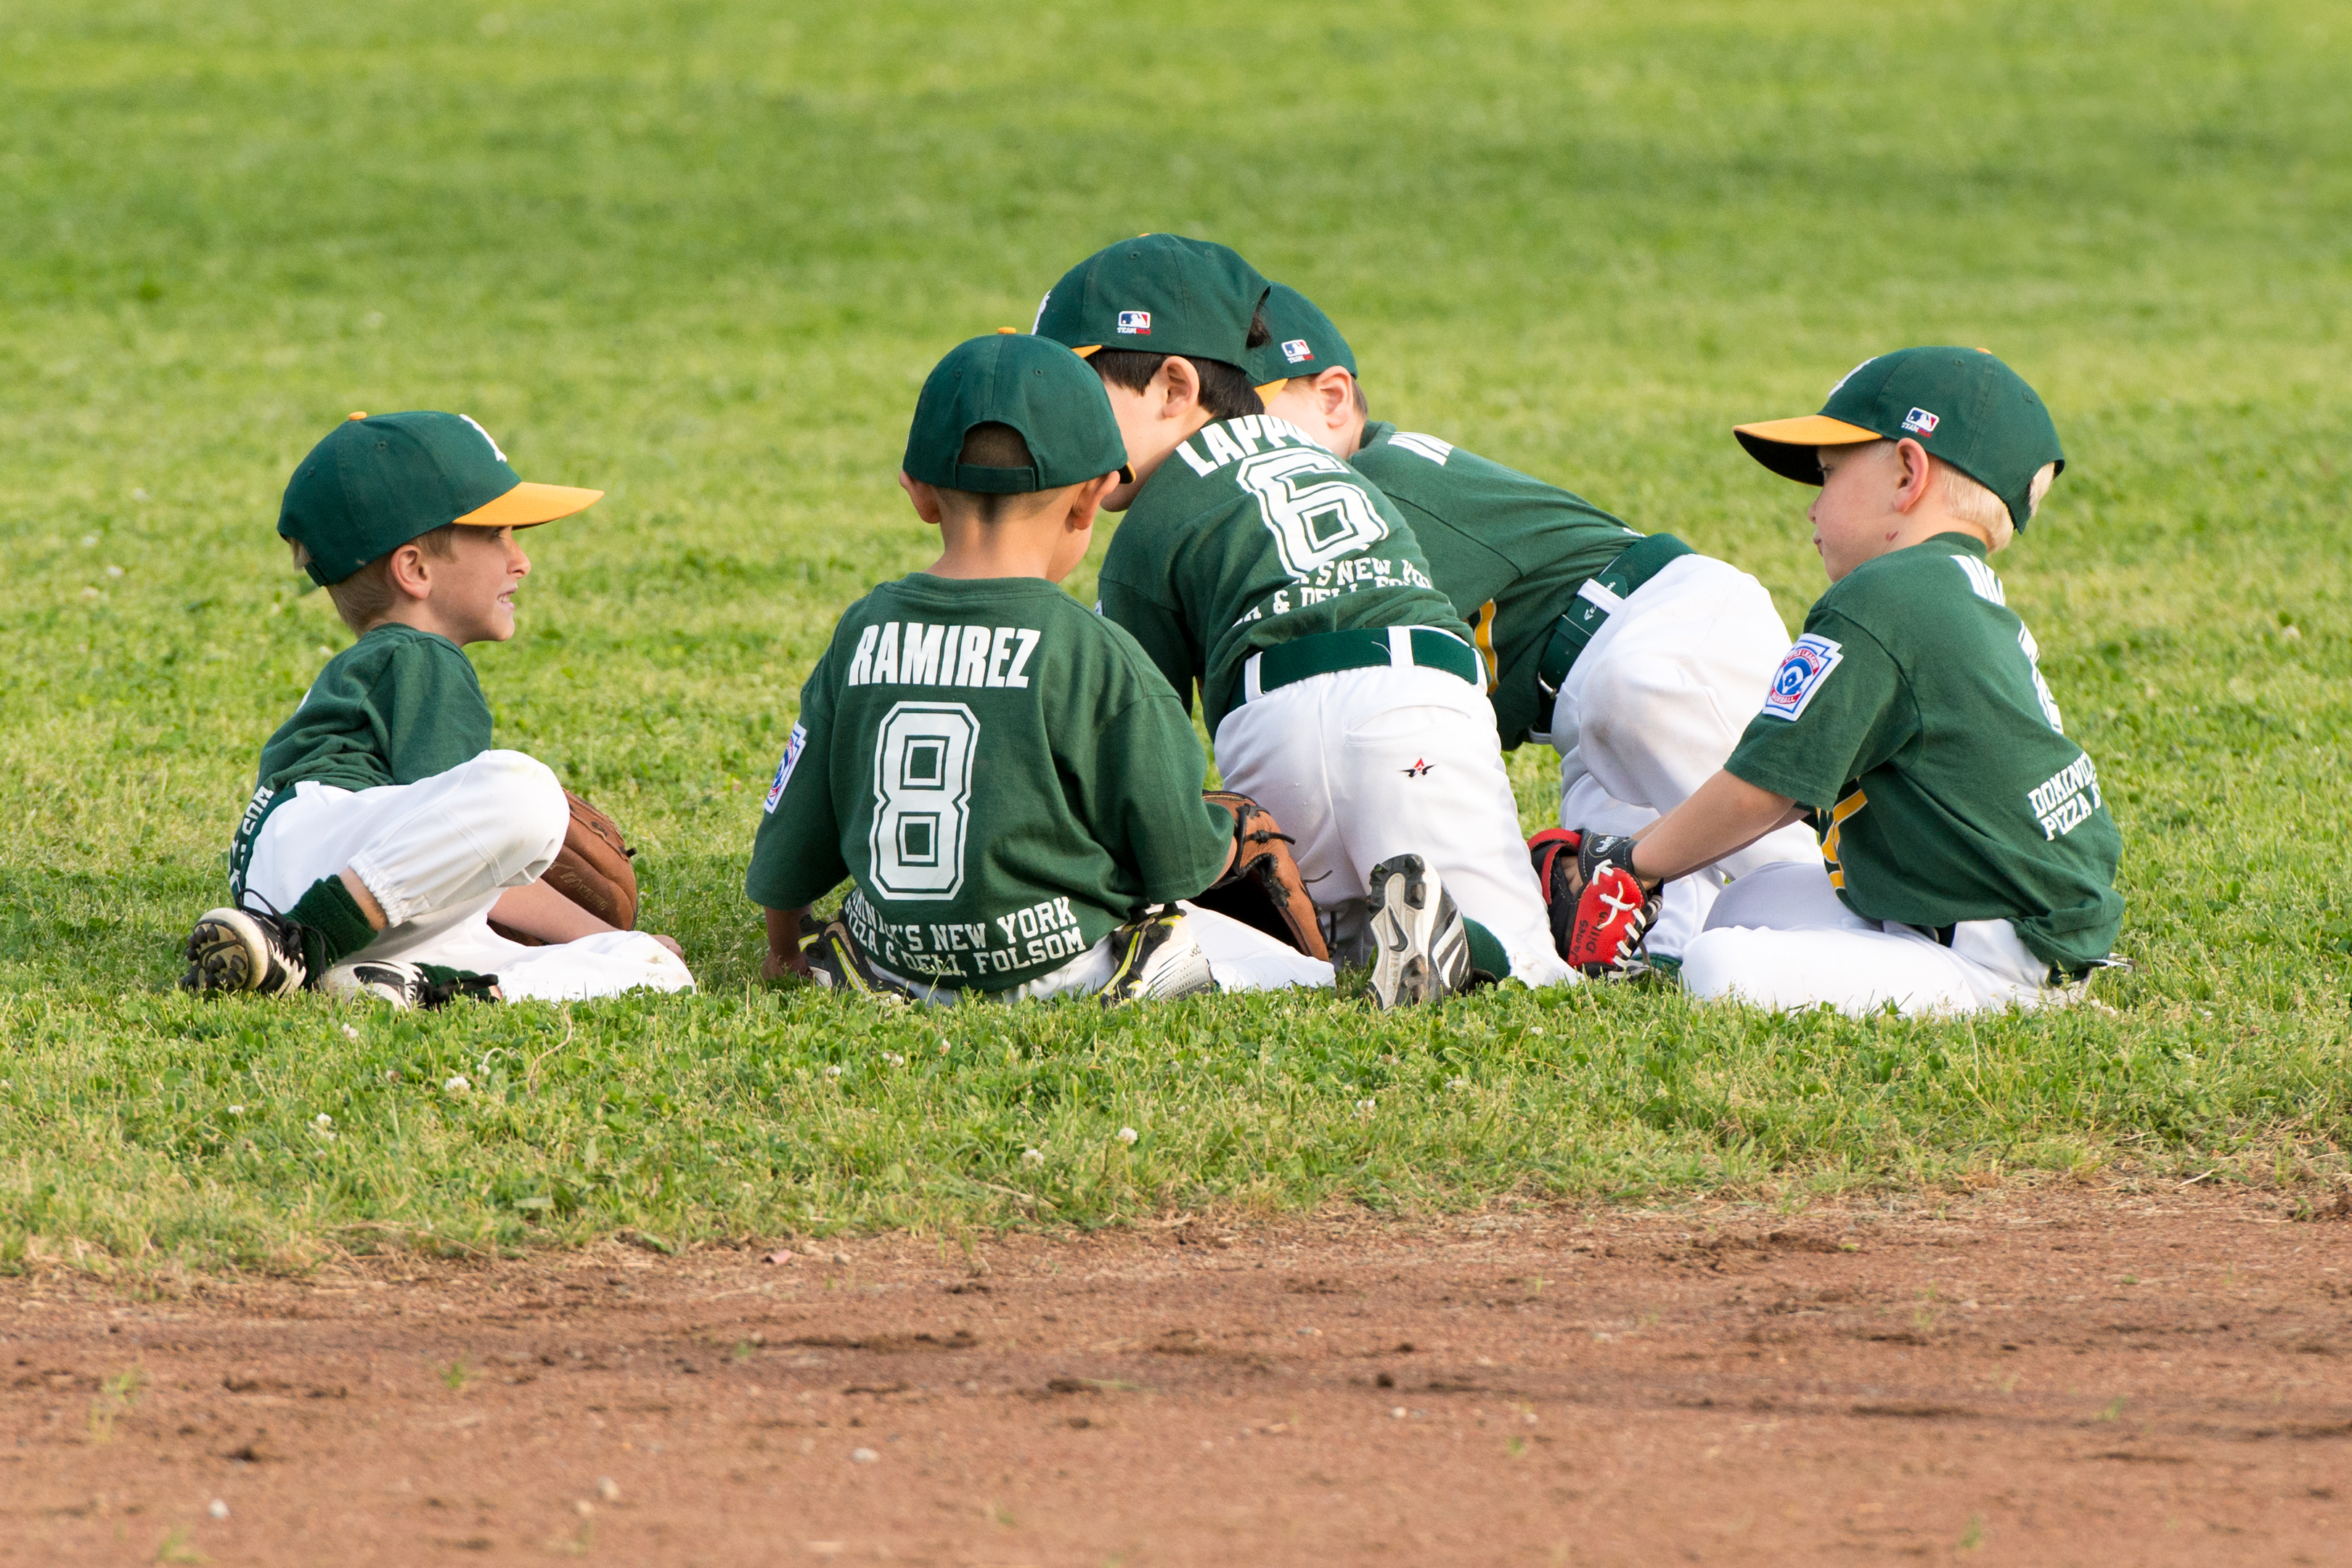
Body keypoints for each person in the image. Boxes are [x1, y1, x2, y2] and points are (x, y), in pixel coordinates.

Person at [1032, 237, 1573, 1004]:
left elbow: (1138, 732)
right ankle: (1463, 935)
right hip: (1419, 699)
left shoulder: (1146, 530)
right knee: (1523, 968)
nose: (1063, 427)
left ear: (1176, 386)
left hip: (1271, 727)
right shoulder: (1332, 462)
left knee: (1335, 962)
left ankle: (1344, 945)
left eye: (1079, 395)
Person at [746, 332, 1333, 1003]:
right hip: (1065, 971)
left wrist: (783, 953)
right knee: (1298, 971)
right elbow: (1177, 858)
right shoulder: (1095, 651)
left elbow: (790, 835)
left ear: (919, 494)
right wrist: (1227, 837)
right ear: (1090, 499)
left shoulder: (862, 633)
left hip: (895, 965)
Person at [1249, 284, 1818, 962]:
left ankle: (1871, 943)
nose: (1243, 448)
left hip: (1660, 632)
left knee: (1776, 856)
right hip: (1587, 705)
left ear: (1334, 401)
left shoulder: (1371, 483)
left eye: (1255, 417)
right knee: (1620, 937)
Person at [1569, 347, 2124, 1015]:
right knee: (1746, 902)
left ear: (1908, 474)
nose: (1813, 507)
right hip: (1983, 909)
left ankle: (2017, 1004)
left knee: (1718, 967)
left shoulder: (1885, 597)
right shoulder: (1953, 585)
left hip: (1994, 955)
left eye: (1829, 474)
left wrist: (1628, 864)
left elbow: (1765, 791)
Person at [182, 411, 696, 1006]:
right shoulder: (417, 655)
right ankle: (305, 942)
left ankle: (425, 988)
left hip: (341, 887)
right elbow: (466, 841)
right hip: (323, 868)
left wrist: (614, 943)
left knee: (656, 970)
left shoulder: (379, 663)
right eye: (497, 535)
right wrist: (583, 917)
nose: (521, 560)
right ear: (415, 569)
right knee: (526, 787)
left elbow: (441, 855)